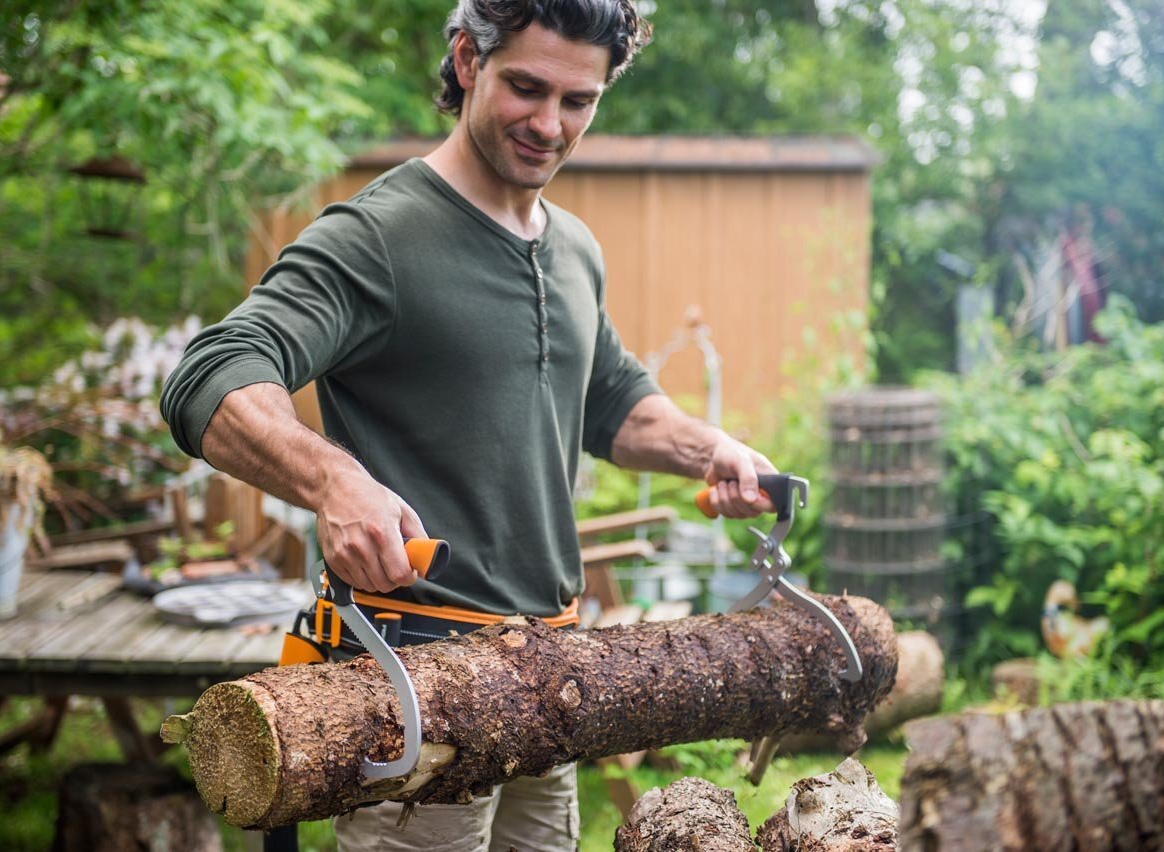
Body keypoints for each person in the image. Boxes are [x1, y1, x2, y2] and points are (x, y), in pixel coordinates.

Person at [160, 1, 776, 849]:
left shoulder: (574, 249)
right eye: (526, 87)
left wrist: (716, 450)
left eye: (579, 101)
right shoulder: (379, 235)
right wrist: (333, 479)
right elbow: (212, 374)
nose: (549, 124)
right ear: (465, 59)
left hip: (550, 679)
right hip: (412, 690)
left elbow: (614, 404)